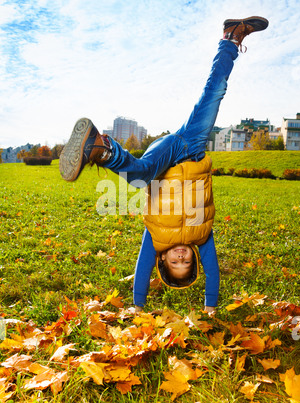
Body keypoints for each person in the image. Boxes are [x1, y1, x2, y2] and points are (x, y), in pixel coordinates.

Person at [59, 17, 269, 314]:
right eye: (186, 261)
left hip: (164, 157)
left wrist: (138, 307)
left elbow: (142, 270)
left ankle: (103, 149)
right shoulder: (202, 236)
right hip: (191, 149)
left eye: (175, 262)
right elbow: (214, 272)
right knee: (216, 91)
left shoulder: (156, 239)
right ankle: (231, 39)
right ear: (195, 258)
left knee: (142, 177)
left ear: (163, 259)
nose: (181, 256)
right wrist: (210, 308)